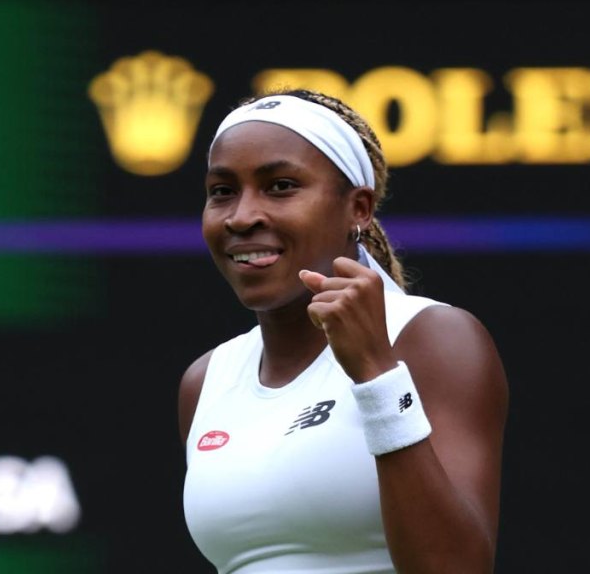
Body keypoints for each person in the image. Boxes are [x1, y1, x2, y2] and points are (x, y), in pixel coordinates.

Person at [178, 88, 509, 574]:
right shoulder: (206, 380)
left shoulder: (433, 337)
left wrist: (376, 374)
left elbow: (457, 567)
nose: (242, 216)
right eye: (222, 191)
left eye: (280, 186)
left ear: (358, 208)